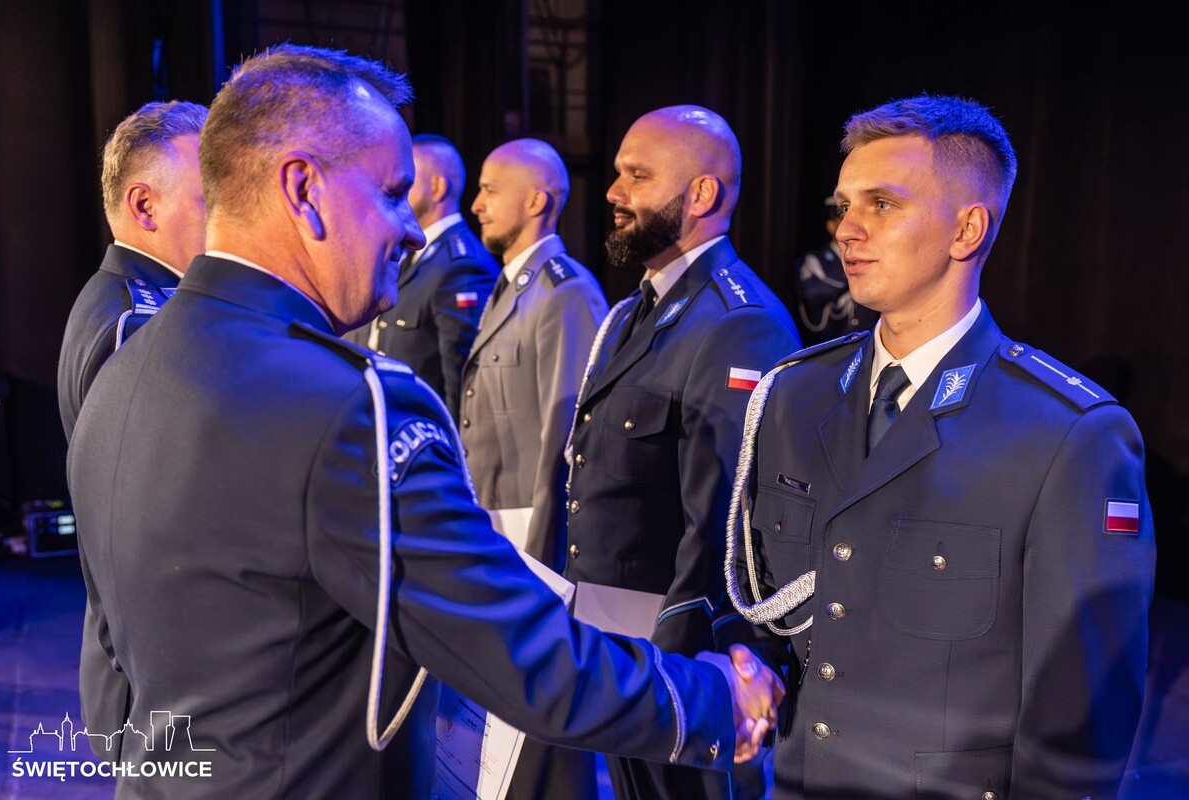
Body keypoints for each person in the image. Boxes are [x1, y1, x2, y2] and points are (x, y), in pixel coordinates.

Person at [67, 44, 783, 800]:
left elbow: (116, 651)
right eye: (390, 194)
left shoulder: (125, 361)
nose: (412, 232)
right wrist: (714, 702)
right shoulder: (348, 406)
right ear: (303, 190)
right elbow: (515, 651)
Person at [725, 94, 1156, 799]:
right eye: (843, 206)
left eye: (882, 204)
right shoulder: (794, 395)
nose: (846, 230)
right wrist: (746, 665)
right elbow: (762, 602)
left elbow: (1078, 724)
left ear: (966, 229)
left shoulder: (1067, 433)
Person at [563, 105, 802, 800]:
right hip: (614, 639)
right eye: (617, 173)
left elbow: (723, 525)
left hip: (678, 658)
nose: (614, 192)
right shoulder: (635, 311)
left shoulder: (736, 322)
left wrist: (677, 673)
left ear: (701, 194)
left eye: (637, 176)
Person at [55, 99, 208, 761]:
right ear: (144, 206)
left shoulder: (127, 299)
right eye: (212, 197)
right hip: (155, 687)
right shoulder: (140, 324)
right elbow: (140, 532)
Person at [462, 138, 607, 800]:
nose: (477, 203)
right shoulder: (511, 288)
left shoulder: (564, 292)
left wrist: (546, 559)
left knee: (543, 726)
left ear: (537, 201)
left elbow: (566, 438)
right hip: (497, 522)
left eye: (491, 189)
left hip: (530, 532)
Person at [345, 134, 498, 417]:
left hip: (424, 426)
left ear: (437, 187)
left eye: (407, 182)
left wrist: (449, 441)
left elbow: (461, 379)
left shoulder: (461, 265)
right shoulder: (411, 253)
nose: (393, 190)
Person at [791, 196, 874, 345]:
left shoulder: (868, 257)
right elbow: (815, 291)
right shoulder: (815, 259)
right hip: (829, 343)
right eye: (841, 220)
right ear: (831, 226)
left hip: (864, 343)